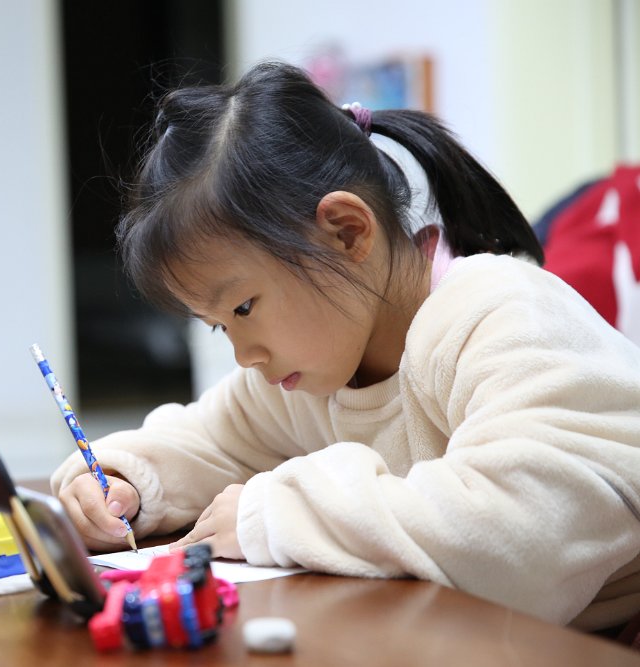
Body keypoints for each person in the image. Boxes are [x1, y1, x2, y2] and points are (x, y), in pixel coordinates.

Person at [51, 61, 640, 637]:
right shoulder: (318, 364)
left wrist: (275, 515)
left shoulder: (501, 314)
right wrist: (123, 482)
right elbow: (211, 440)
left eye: (244, 308)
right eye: (219, 327)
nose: (244, 355)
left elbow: (516, 538)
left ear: (347, 231)